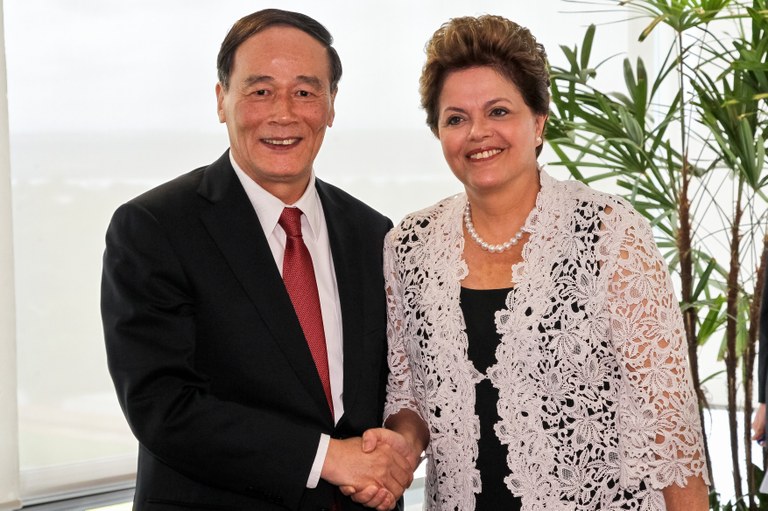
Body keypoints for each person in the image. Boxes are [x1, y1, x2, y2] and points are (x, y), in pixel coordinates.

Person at [365, 14, 711, 510]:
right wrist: (398, 447)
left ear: (539, 122)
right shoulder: (409, 245)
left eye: (499, 111)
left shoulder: (610, 232)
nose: (477, 132)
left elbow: (670, 431)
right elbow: (409, 396)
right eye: (456, 118)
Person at [101, 8, 414, 511]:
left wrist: (393, 452)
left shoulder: (372, 232)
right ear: (221, 100)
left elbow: (393, 385)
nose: (284, 114)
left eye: (305, 92)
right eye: (261, 90)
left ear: (331, 105)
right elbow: (162, 406)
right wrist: (327, 459)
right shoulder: (155, 228)